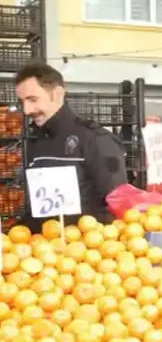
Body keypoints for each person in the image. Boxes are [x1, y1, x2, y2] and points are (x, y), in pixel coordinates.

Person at [13, 62, 128, 231]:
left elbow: (117, 203)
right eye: (22, 102)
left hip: (84, 244)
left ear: (58, 94)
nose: (26, 110)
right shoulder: (34, 142)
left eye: (33, 100)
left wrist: (88, 237)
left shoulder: (95, 139)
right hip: (40, 244)